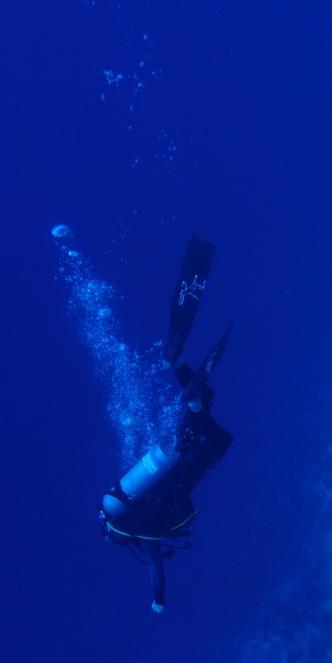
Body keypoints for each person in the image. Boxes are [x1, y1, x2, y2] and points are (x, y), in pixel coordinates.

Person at [99, 235, 233, 612]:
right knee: (203, 400)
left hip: (181, 470)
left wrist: (158, 601)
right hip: (170, 452)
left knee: (221, 441)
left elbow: (156, 570)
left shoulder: (143, 534)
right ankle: (177, 364)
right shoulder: (130, 503)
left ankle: (190, 395)